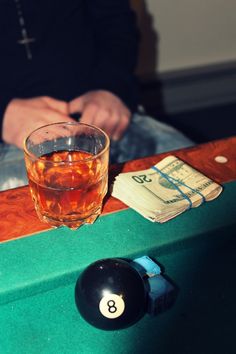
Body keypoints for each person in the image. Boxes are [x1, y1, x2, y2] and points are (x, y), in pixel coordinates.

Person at [0, 0, 193, 191]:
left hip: (107, 117)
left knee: (203, 186)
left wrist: (110, 89)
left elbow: (116, 25)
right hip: (7, 141)